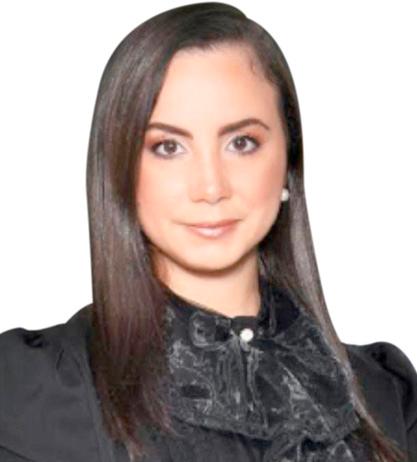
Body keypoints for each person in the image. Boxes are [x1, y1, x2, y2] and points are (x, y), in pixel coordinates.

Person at [0, 2, 416, 461]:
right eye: (168, 147)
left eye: (242, 143)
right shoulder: (29, 395)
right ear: (119, 169)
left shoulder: (386, 397)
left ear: (288, 161)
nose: (211, 187)